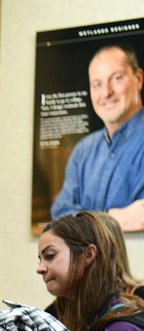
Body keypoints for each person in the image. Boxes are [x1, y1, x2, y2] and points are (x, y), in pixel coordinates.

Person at [50, 45, 144, 232]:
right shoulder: (83, 151)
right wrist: (114, 219)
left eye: (116, 78)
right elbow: (60, 213)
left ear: (139, 79)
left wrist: (83, 220)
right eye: (97, 84)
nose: (106, 93)